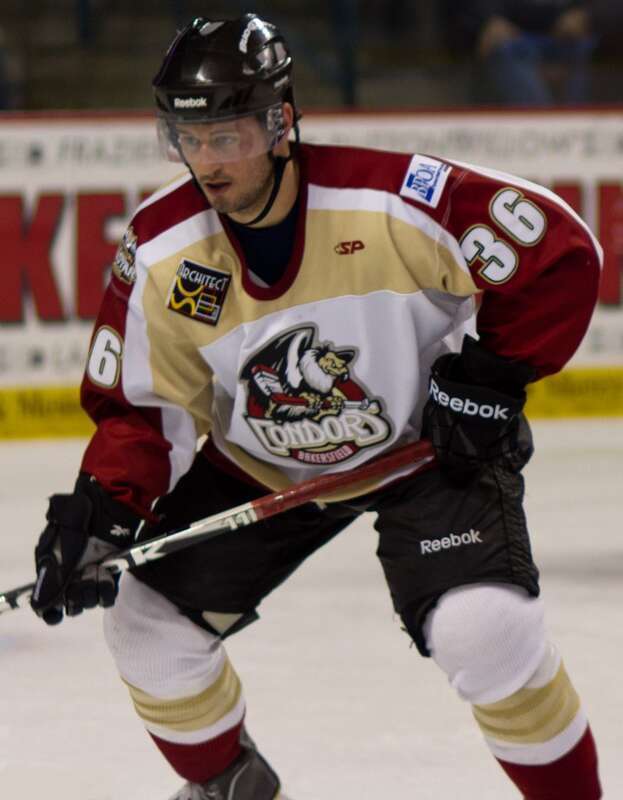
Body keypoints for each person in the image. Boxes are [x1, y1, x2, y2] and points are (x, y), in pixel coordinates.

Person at [30, 13, 604, 800]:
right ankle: (232, 785)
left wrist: (490, 377)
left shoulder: (388, 198)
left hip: (424, 446)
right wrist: (104, 505)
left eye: (225, 137)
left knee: (487, 633)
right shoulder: (164, 252)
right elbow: (144, 406)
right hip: (261, 463)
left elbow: (560, 252)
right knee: (144, 626)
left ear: (279, 124)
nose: (206, 163)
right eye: (186, 140)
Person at [444, 0, 595, 105]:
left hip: (564, 37)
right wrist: (487, 18)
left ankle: (576, 124)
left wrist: (584, 12)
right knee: (503, 48)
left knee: (585, 44)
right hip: (510, 38)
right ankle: (543, 126)